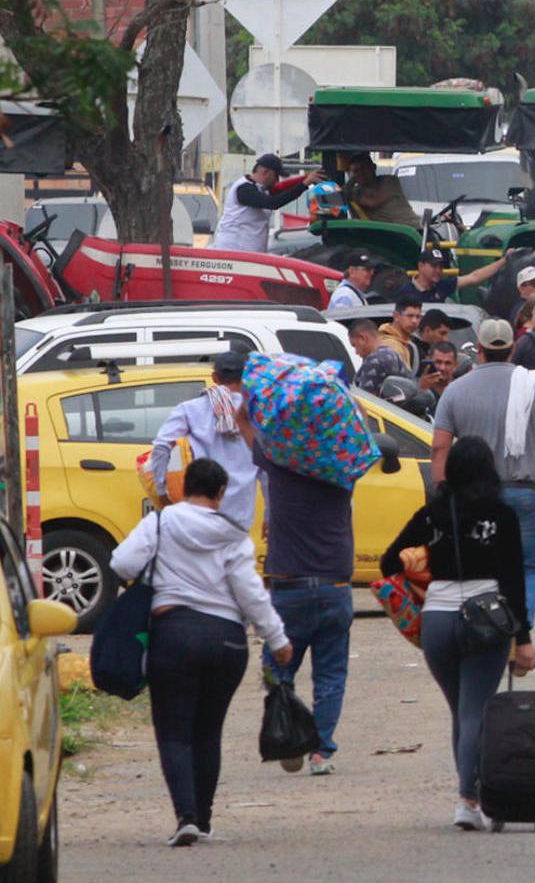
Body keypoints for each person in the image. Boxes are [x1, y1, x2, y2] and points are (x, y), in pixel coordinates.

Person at [110, 459, 293, 846]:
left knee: (174, 731)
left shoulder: (160, 522)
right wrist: (277, 639)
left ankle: (186, 817)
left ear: (183, 488)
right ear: (221, 493)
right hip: (226, 640)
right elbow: (250, 592)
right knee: (208, 731)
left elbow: (122, 562)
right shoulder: (233, 535)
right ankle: (206, 819)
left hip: (173, 634)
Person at [381, 436, 535, 830]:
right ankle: (469, 800)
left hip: (436, 620)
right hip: (484, 619)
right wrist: (525, 638)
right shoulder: (501, 515)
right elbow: (514, 581)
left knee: (461, 712)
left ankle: (472, 796)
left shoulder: (433, 512)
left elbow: (387, 562)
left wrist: (419, 583)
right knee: (475, 712)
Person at [432, 317, 535, 629]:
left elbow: (439, 449)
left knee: (479, 568)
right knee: (527, 566)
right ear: (513, 350)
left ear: (479, 350)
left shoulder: (455, 391)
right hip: (523, 494)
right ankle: (517, 632)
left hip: (473, 499)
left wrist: (443, 492)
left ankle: (486, 630)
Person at [256, 437, 354, 777]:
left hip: (288, 587)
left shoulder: (278, 469)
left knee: (278, 667)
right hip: (334, 586)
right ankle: (320, 751)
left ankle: (289, 732)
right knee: (330, 674)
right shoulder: (344, 474)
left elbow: (243, 421)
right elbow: (356, 429)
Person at [149, 351, 261, 530]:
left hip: (199, 512)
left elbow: (162, 446)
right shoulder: (257, 413)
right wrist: (270, 515)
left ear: (215, 377)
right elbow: (265, 469)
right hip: (240, 516)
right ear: (247, 377)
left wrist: (161, 490)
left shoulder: (190, 409)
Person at [211, 154, 321, 252]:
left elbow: (281, 188)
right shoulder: (244, 189)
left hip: (248, 253)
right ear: (265, 172)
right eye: (276, 176)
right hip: (234, 252)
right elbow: (273, 203)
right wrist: (305, 184)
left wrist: (307, 178)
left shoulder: (259, 188)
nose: (276, 180)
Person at [392, 244, 505, 307]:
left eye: (441, 267)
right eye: (434, 266)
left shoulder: (442, 285)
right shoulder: (405, 293)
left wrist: (504, 260)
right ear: (421, 265)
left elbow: (474, 277)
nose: (438, 270)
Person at [343, 152, 418, 227]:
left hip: (411, 229)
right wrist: (352, 180)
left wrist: (350, 193)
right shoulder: (356, 191)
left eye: (364, 168)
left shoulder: (389, 181)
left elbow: (373, 202)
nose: (361, 173)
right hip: (385, 233)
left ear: (374, 167)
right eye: (356, 171)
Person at [349, 319, 408, 395]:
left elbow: (364, 399)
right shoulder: (394, 354)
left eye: (355, 345)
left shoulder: (375, 361)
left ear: (363, 338)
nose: (356, 352)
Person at [379, 300, 423, 374]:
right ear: (396, 316)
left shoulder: (405, 342)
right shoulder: (391, 345)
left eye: (418, 317)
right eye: (410, 316)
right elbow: (399, 382)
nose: (414, 321)